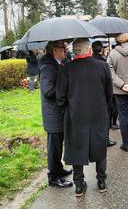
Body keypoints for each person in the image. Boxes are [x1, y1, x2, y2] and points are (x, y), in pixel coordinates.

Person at [56, 38, 113, 197]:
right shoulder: (102, 66)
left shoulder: (66, 69)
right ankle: (101, 181)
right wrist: (104, 107)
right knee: (100, 145)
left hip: (75, 114)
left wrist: (67, 110)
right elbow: (109, 93)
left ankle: (79, 184)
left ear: (75, 51)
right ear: (89, 50)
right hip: (98, 112)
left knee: (76, 146)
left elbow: (60, 98)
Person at [39, 41, 72, 188]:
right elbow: (48, 91)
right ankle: (53, 177)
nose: (65, 50)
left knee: (59, 145)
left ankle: (59, 169)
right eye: (63, 48)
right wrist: (65, 90)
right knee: (54, 147)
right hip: (53, 115)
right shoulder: (48, 67)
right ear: (54, 50)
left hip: (59, 112)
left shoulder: (57, 63)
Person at [92, 40, 118, 147]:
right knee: (105, 119)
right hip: (103, 95)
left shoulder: (90, 61)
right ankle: (105, 140)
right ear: (101, 49)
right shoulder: (104, 63)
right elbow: (109, 82)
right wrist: (110, 98)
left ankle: (95, 140)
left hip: (93, 94)